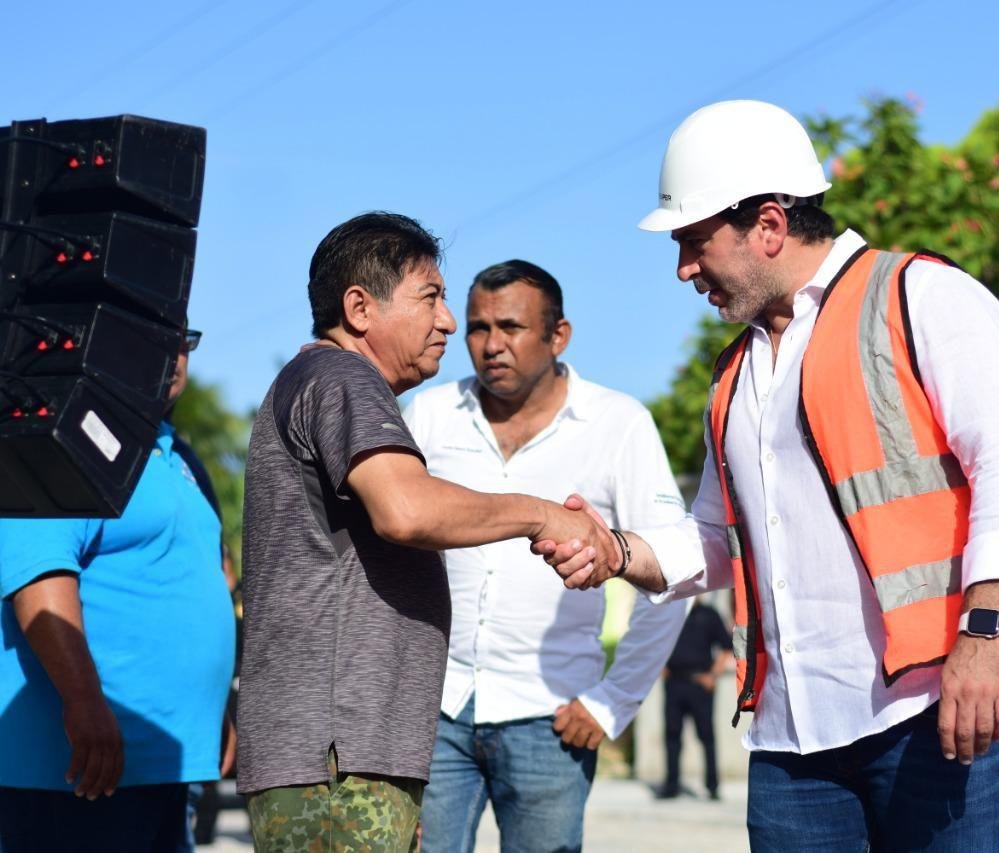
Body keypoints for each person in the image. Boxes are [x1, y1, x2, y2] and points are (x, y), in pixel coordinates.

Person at [537, 99, 999, 851]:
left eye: (693, 241)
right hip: (792, 744)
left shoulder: (920, 297)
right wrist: (616, 551)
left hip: (937, 710)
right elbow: (715, 537)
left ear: (770, 225)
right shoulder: (734, 375)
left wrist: (985, 632)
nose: (684, 269)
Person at [235, 214, 614, 851]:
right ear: (359, 307)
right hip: (336, 757)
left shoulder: (329, 381)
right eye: (430, 297)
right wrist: (543, 514)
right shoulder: (342, 377)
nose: (447, 321)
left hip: (344, 753)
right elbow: (406, 509)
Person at [402, 259, 688, 851]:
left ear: (559, 336)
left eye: (511, 327)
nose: (490, 345)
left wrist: (612, 703)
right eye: (478, 328)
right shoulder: (428, 417)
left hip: (551, 717)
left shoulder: (618, 424)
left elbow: (671, 570)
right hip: (435, 708)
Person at [0, 326, 236, 851]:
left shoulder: (176, 457)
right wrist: (84, 702)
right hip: (81, 768)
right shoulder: (65, 440)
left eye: (184, 339)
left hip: (161, 763)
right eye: (155, 334)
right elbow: (40, 581)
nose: (173, 355)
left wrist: (213, 705)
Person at [656, 597, 733, 801]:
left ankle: (712, 786)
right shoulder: (670, 613)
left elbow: (727, 648)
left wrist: (713, 676)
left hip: (700, 684)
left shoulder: (709, 615)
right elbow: (656, 642)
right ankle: (671, 785)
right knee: (672, 736)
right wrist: (661, 667)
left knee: (707, 736)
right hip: (674, 682)